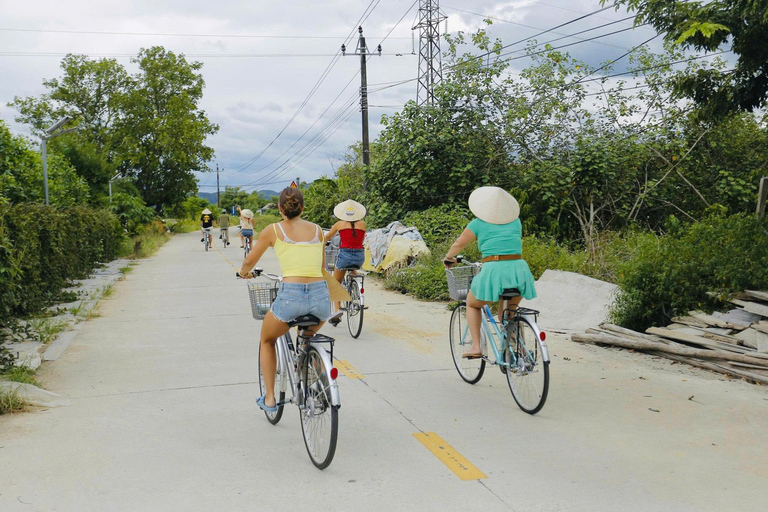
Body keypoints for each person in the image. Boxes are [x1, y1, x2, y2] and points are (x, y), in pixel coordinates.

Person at [238, 187, 331, 413]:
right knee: (307, 337)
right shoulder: (318, 230)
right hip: (320, 298)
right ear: (303, 208)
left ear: (280, 208)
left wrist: (243, 272)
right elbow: (321, 268)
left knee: (267, 339)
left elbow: (250, 261)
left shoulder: (273, 230)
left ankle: (270, 398)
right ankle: (314, 378)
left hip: (292, 295)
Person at [443, 186, 537, 359]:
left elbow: (458, 243)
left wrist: (449, 257)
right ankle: (520, 350)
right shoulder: (516, 221)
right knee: (507, 314)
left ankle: (476, 347)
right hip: (519, 270)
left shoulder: (478, 223)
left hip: (494, 270)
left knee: (472, 303)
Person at [324, 199, 366, 325]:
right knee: (353, 263)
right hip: (359, 258)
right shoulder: (363, 224)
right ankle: (354, 275)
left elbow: (327, 237)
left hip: (345, 256)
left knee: (335, 283)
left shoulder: (339, 224)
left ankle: (336, 310)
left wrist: (321, 241)